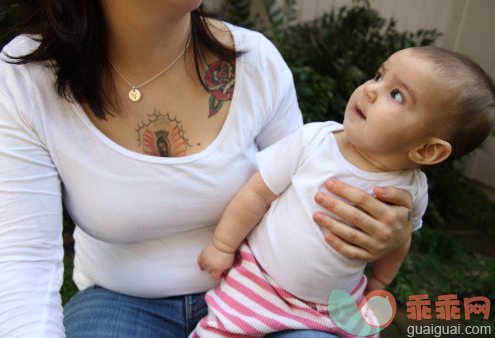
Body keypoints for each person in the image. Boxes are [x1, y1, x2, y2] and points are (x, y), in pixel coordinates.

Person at [0, 1, 415, 337]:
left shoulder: (258, 62)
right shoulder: (31, 76)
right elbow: (18, 260)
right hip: (121, 298)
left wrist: (392, 233)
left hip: (273, 297)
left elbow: (308, 188)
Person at [192, 46, 495, 337]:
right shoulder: (315, 142)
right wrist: (222, 246)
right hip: (259, 283)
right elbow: (257, 194)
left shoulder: (412, 189)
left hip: (336, 305)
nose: (370, 89)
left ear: (427, 150)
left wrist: (378, 281)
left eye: (397, 95)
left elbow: (399, 242)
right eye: (379, 76)